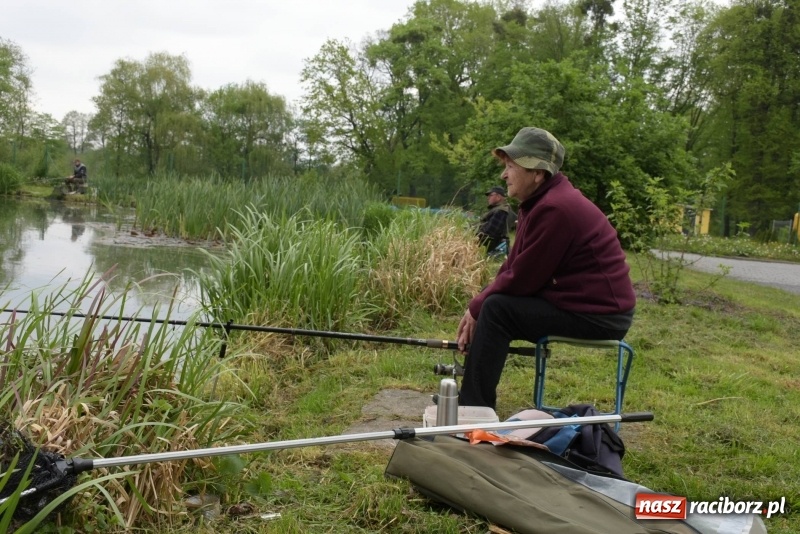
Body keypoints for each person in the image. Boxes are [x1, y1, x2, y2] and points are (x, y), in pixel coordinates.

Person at [456, 127, 636, 409]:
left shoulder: (556, 208)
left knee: (497, 310)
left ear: (537, 172)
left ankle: (473, 407)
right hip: (579, 303)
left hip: (603, 315)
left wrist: (476, 307)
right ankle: (471, 401)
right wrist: (479, 301)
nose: (503, 175)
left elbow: (523, 279)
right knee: (493, 304)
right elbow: (513, 265)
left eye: (510, 166)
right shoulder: (538, 203)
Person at [477, 186, 515, 256]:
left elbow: (489, 234)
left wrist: (471, 237)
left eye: (490, 195)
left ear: (498, 197)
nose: (488, 198)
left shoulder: (501, 211)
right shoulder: (499, 209)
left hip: (490, 247)